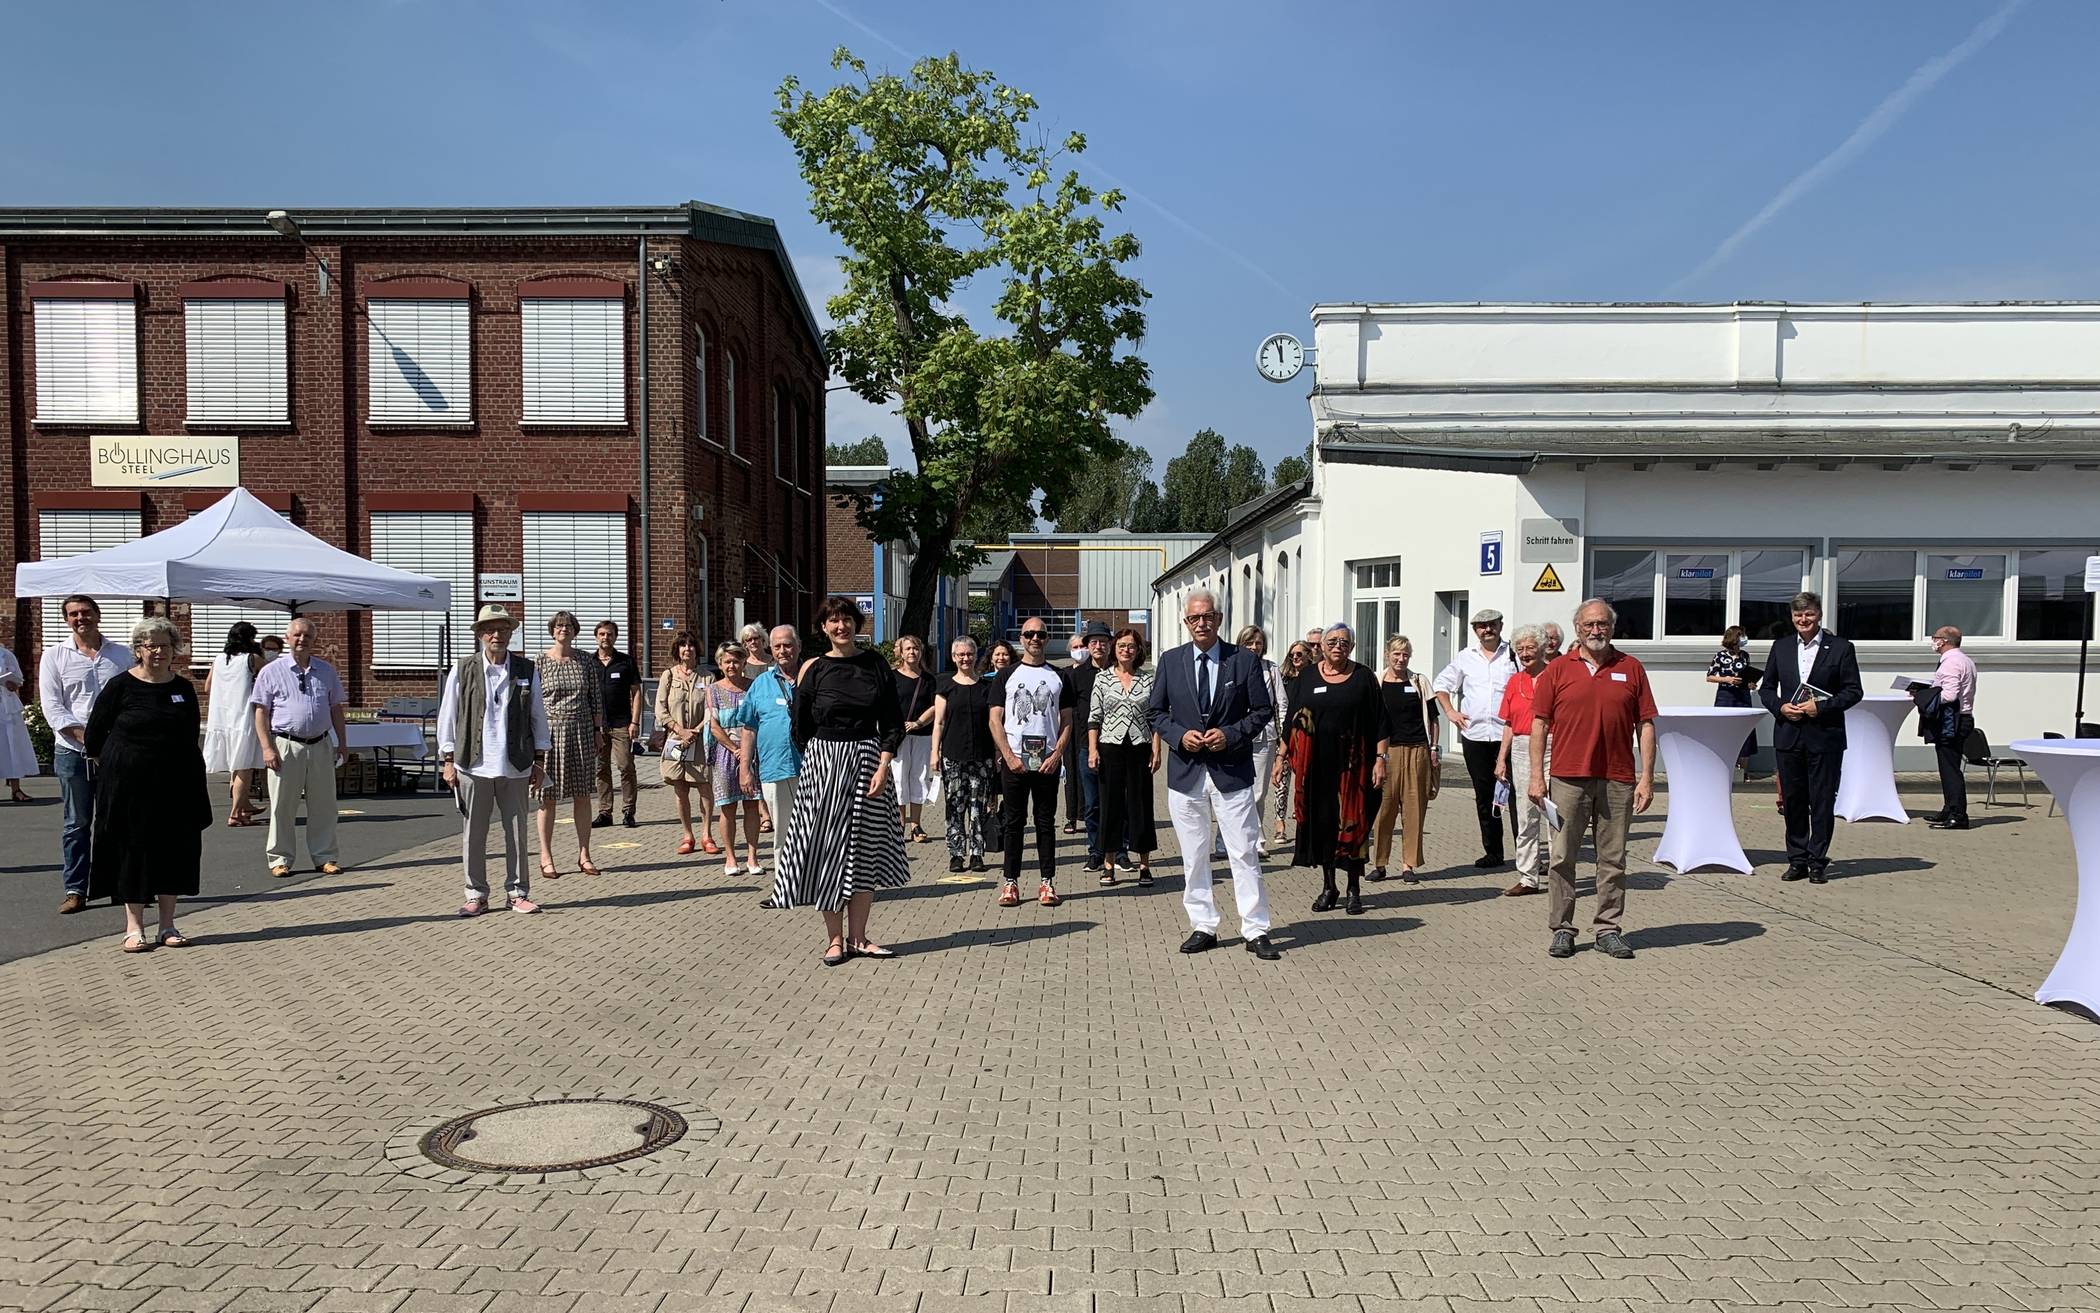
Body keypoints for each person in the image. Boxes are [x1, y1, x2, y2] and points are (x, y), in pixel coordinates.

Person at [775, 595, 909, 964]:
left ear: (856, 625)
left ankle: (859, 938)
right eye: (833, 621)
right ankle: (834, 939)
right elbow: (800, 727)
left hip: (869, 762)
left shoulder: (875, 664)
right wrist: (820, 763)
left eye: (847, 619)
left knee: (864, 853)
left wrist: (883, 765)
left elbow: (892, 722)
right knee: (829, 852)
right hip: (823, 763)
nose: (841, 626)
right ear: (823, 628)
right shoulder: (814, 669)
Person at [1151, 590, 1280, 959]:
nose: (1201, 623)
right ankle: (1203, 924)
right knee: (1194, 856)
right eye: (1194, 618)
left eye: (1207, 616)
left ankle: (1255, 929)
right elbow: (1156, 712)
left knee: (1243, 853)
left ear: (1219, 619)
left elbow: (1261, 711)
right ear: (1186, 622)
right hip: (1186, 773)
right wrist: (1178, 736)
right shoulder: (1170, 661)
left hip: (1231, 771)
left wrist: (1231, 734)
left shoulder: (1243, 661)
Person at [1527, 599, 1658, 961]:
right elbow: (1539, 724)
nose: (1596, 630)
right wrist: (1536, 777)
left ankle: (1607, 929)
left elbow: (1646, 724)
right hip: (1568, 778)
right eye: (1589, 625)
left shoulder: (1631, 668)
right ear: (1578, 628)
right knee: (1562, 856)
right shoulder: (1557, 671)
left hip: (1618, 778)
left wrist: (1646, 778)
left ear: (1612, 628)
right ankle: (1562, 929)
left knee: (1613, 859)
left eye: (1602, 624)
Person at [83, 616, 210, 952]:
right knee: (132, 852)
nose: (158, 651)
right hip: (129, 788)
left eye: (164, 645)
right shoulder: (120, 686)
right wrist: (115, 764)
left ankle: (167, 926)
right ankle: (134, 927)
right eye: (150, 645)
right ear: (138, 650)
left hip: (175, 787)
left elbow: (189, 735)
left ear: (174, 650)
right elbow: (95, 735)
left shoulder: (182, 688)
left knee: (173, 852)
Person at [438, 605, 551, 915]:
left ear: (511, 633)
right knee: (474, 833)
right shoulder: (462, 669)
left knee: (517, 833)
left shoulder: (527, 670)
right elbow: (448, 717)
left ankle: (517, 892)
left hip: (515, 763)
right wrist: (447, 759)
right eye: (490, 629)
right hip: (472, 764)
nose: (496, 635)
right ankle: (476, 894)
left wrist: (540, 760)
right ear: (479, 634)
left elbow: (538, 716)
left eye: (503, 629)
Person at [1276, 623, 1386, 915]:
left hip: (1354, 767)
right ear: (1321, 646)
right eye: (1333, 641)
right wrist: (1281, 756)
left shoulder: (1363, 677)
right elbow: (1293, 719)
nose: (1339, 645)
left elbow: (1380, 721)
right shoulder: (1308, 676)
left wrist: (1381, 759)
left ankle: (1353, 889)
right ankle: (1329, 887)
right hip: (1316, 767)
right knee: (1323, 825)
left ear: (1352, 646)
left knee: (1353, 825)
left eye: (1345, 641)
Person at [1760, 591, 1863, 883]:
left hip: (1825, 736)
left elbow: (1853, 691)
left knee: (1821, 801)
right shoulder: (1780, 647)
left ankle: (1818, 861)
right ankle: (1797, 859)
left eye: (1809, 615)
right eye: (1798, 616)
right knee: (1792, 801)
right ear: (1792, 618)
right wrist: (1780, 706)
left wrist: (1821, 707)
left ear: (1819, 616)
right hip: (1789, 734)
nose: (1803, 620)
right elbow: (1766, 688)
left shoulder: (1841, 648)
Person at [39, 594, 132, 913]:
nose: (81, 618)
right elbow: (53, 707)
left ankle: (122, 887)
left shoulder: (121, 654)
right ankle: (76, 889)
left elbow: (132, 698)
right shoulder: (55, 656)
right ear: (67, 620)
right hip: (72, 753)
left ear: (98, 614)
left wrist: (112, 744)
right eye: (74, 614)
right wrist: (89, 742)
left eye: (86, 612)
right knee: (77, 823)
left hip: (116, 752)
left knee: (117, 821)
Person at [248, 616, 348, 879]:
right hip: (286, 744)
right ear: (287, 638)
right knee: (283, 805)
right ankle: (280, 858)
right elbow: (260, 711)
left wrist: (342, 743)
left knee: (324, 805)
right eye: (297, 635)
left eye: (307, 636)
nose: (302, 640)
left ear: (314, 640)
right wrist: (267, 748)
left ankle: (325, 856)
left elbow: (336, 708)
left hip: (320, 744)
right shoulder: (271, 671)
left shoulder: (326, 670)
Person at [993, 618, 1076, 907]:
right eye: (1029, 634)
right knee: (1014, 823)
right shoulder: (1007, 675)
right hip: (1014, 761)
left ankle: (1047, 883)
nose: (1035, 638)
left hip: (1047, 764)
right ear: (1021, 638)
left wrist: (1057, 754)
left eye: (1040, 634)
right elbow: (995, 719)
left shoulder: (1059, 676)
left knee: (1045, 823)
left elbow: (1067, 720)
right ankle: (1010, 883)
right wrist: (1008, 755)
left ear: (1047, 637)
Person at [1433, 608, 1517, 870]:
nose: (1487, 629)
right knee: (1484, 795)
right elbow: (1441, 684)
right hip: (1476, 736)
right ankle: (1493, 852)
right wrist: (1450, 712)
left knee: (1516, 796)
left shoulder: (1514, 655)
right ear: (1475, 630)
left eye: (1492, 624)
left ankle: (1527, 855)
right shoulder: (1465, 657)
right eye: (1481, 626)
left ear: (1500, 625)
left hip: (1509, 734)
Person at [726, 625, 805, 887]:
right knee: (782, 830)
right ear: (771, 649)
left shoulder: (813, 677)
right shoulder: (761, 684)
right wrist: (745, 768)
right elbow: (748, 729)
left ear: (799, 646)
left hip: (814, 767)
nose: (783, 651)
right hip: (775, 767)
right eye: (778, 646)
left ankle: (814, 882)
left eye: (788, 645)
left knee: (813, 829)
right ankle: (785, 885)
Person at [535, 612, 606, 881]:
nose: (563, 629)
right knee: (547, 796)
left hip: (582, 731)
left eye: (568, 626)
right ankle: (546, 856)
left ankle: (585, 854)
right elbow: (533, 703)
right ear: (552, 630)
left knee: (583, 794)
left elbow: (595, 699)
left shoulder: (585, 660)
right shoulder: (540, 661)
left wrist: (599, 730)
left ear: (575, 631)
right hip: (550, 733)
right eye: (559, 625)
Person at [1088, 627, 1158, 885]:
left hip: (1140, 746)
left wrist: (1157, 749)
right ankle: (1109, 864)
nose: (1126, 650)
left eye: (1131, 646)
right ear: (1114, 650)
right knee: (1110, 806)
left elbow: (1156, 718)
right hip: (1110, 747)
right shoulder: (1103, 679)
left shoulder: (1147, 679)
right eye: (1121, 646)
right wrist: (1093, 750)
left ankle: (1144, 865)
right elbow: (1094, 718)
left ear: (1139, 650)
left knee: (1140, 805)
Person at [1370, 634, 1438, 883]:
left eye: (1405, 654)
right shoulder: (1376, 681)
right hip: (1386, 752)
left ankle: (1409, 865)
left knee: (1413, 810)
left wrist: (1434, 749)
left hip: (1417, 750)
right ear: (1387, 654)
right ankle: (1380, 863)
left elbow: (1433, 719)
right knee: (1383, 810)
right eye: (1396, 654)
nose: (1401, 659)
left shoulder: (1419, 681)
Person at [930, 635, 998, 874]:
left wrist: (999, 751)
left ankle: (977, 854)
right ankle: (956, 853)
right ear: (953, 657)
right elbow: (938, 722)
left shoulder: (986, 687)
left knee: (978, 806)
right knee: (955, 805)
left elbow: (993, 722)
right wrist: (934, 753)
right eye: (961, 654)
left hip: (982, 755)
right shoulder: (945, 685)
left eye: (969, 654)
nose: (965, 658)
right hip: (953, 755)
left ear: (976, 655)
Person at [1494, 626, 1551, 897]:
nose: (1525, 653)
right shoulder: (1514, 681)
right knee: (1526, 814)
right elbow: (1508, 722)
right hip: (1520, 746)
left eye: (1530, 648)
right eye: (1521, 649)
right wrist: (1501, 758)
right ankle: (1528, 877)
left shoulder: (1555, 675)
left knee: (1554, 813)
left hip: (1554, 746)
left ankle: (1561, 875)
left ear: (1541, 649)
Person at [655, 631, 718, 856]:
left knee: (704, 787)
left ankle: (707, 834)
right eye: (683, 645)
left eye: (691, 645)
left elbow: (712, 708)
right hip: (676, 741)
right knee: (680, 788)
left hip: (700, 740)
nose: (687, 649)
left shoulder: (707, 677)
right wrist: (680, 730)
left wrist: (696, 730)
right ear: (677, 650)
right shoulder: (668, 676)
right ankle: (687, 835)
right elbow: (660, 709)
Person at [200, 621, 266, 827]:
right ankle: (236, 812)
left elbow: (208, 686)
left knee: (234, 766)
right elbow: (272, 674)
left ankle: (244, 804)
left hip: (221, 718)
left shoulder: (219, 659)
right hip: (243, 717)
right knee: (244, 766)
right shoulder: (251, 659)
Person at [707, 641, 764, 880]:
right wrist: (734, 748)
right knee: (727, 807)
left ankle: (752, 856)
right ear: (720, 664)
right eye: (727, 661)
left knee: (752, 805)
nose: (732, 665)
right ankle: (730, 857)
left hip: (752, 754)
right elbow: (713, 725)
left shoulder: (754, 687)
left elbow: (760, 718)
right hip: (725, 754)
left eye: (736, 661)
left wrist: (746, 751)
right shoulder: (713, 690)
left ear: (743, 663)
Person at [1234, 626, 1286, 860]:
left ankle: (1256, 840)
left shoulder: (1271, 669)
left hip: (1265, 736)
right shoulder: (1232, 666)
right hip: (1237, 736)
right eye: (1249, 643)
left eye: (1258, 643)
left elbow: (1281, 705)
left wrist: (1284, 737)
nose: (1254, 647)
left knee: (1258, 793)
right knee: (1235, 791)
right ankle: (1228, 839)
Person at [1066, 621, 1111, 871]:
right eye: (1093, 642)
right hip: (1086, 746)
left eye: (1102, 641)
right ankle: (1095, 851)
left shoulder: (1119, 671)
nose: (1098, 646)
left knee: (1116, 802)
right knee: (1092, 803)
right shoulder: (1076, 675)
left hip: (1116, 746)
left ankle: (1119, 850)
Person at [589, 620, 642, 831]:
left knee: (625, 766)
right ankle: (605, 812)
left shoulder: (625, 662)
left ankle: (629, 811)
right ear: (596, 637)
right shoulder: (589, 662)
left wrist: (635, 721)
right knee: (600, 769)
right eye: (601, 634)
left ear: (615, 637)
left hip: (621, 724)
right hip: (597, 726)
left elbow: (636, 692)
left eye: (609, 634)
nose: (605, 638)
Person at [1926, 626, 1978, 830]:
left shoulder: (1952, 662)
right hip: (1961, 718)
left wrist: (1924, 696)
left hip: (1952, 721)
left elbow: (1949, 695)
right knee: (1948, 765)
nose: (1933, 641)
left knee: (1950, 769)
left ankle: (1958, 814)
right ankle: (1949, 809)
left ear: (1944, 641)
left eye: (1935, 638)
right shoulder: (1964, 660)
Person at [890, 634, 937, 842]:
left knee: (919, 777)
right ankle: (899, 824)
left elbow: (936, 706)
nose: (912, 652)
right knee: (898, 777)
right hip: (898, 736)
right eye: (908, 649)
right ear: (900, 651)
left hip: (922, 734)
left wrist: (919, 722)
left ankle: (916, 824)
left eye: (915, 649)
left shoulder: (928, 679)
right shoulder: (892, 677)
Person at [1271, 640, 1313, 847]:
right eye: (1292, 655)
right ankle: (1280, 823)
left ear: (1308, 655)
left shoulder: (1315, 678)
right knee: (1282, 783)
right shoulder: (1284, 679)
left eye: (1299, 654)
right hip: (1286, 736)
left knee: (1305, 783)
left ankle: (1305, 823)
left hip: (1307, 738)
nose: (1295, 658)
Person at [1707, 624, 1758, 771]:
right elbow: (1710, 677)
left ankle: (1744, 770)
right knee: (1724, 729)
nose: (1744, 638)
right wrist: (1727, 679)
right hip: (1726, 697)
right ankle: (1725, 766)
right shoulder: (1720, 656)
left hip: (1743, 697)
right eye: (1741, 635)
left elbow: (1747, 674)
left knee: (1745, 730)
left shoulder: (1745, 655)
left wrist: (1751, 684)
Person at [1060, 630, 1092, 833]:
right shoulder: (1064, 674)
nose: (1080, 650)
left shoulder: (1096, 672)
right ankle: (1071, 816)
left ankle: (1089, 814)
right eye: (1076, 647)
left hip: (1088, 728)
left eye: (1083, 646)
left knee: (1088, 774)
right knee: (1070, 772)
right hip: (1068, 727)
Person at [1, 644, 40, 802]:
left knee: (12, 746)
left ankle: (16, 789)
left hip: (6, 706)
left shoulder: (6, 654)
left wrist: (13, 684)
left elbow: (18, 678)